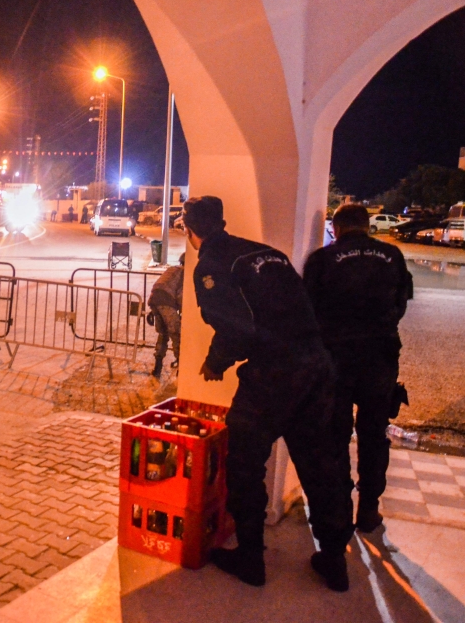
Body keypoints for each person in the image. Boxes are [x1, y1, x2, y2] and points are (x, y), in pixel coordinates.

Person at [182, 196, 353, 591]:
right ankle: (334, 562)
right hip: (315, 366)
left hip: (274, 376)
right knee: (319, 466)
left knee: (244, 465)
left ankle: (250, 559)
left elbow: (236, 328)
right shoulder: (265, 253)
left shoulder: (211, 265)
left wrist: (215, 362)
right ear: (221, 221)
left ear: (190, 231)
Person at [303, 203, 412, 533]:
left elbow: (307, 309)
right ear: (368, 226)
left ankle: (339, 510)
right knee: (373, 435)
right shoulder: (392, 255)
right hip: (379, 360)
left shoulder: (322, 260)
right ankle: (369, 510)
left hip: (335, 361)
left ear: (335, 228)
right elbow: (401, 304)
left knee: (336, 435)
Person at [147, 253, 184, 378]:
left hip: (155, 300)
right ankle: (181, 366)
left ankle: (157, 367)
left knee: (163, 334)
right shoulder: (184, 273)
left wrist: (154, 310)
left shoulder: (172, 269)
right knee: (176, 334)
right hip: (167, 303)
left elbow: (160, 287)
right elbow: (180, 295)